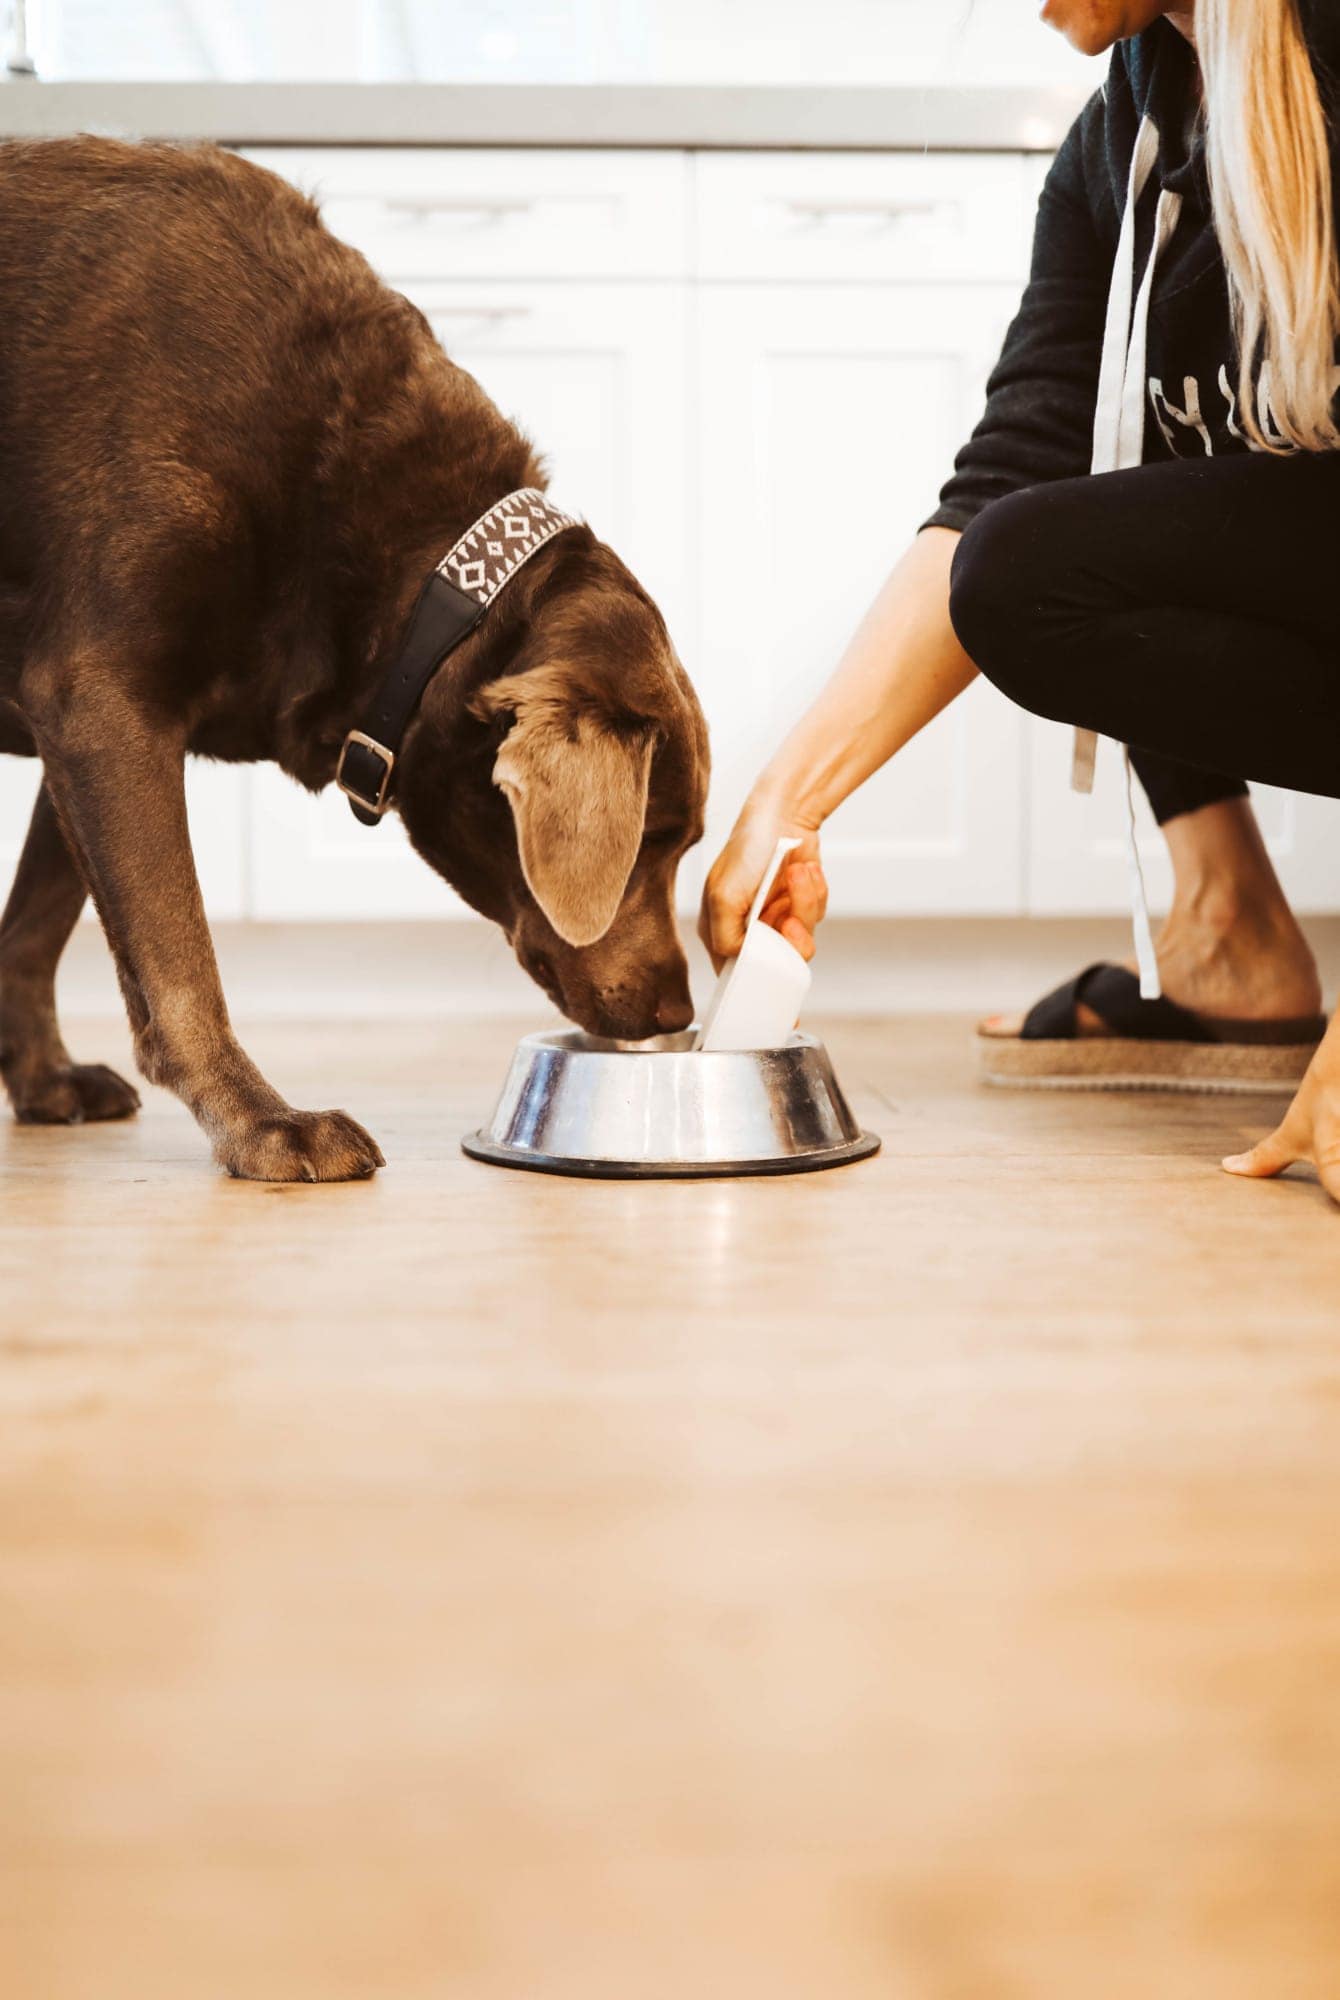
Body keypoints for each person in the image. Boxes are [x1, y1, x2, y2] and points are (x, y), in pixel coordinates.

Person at [699, 0, 1340, 1202]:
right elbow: (1004, 479)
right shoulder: (1117, 149)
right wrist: (786, 806)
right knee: (1033, 562)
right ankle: (1229, 926)